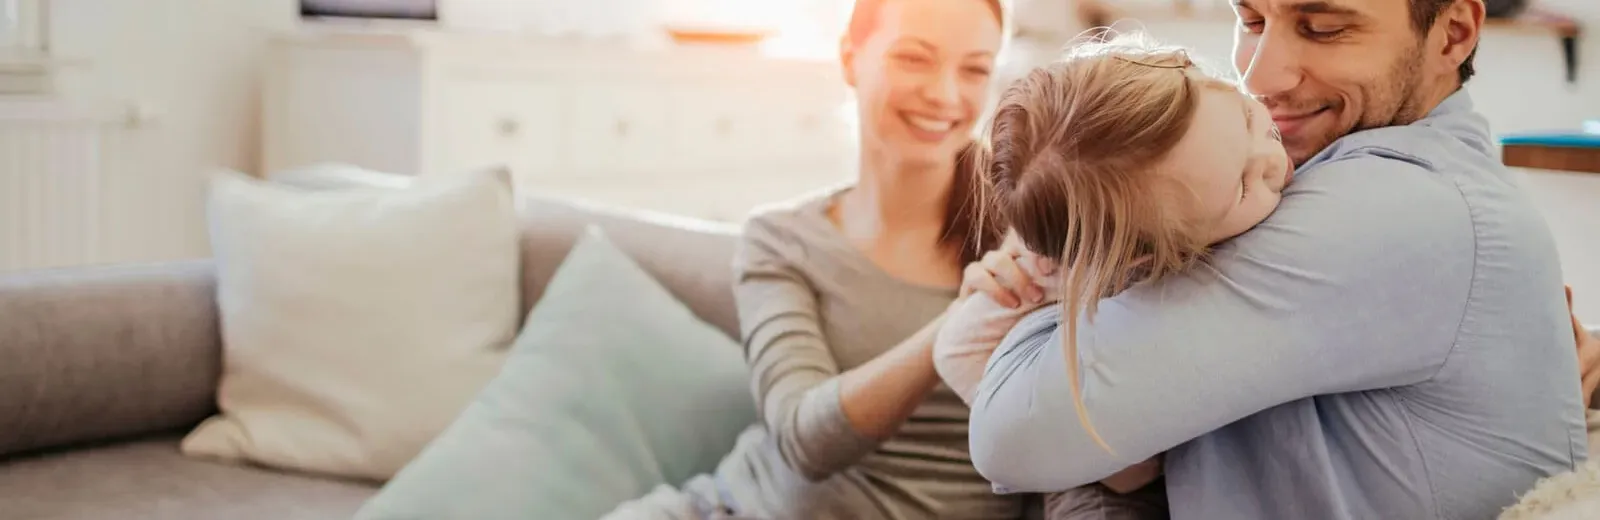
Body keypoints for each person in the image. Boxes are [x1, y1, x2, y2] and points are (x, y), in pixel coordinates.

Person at [953, 1, 1592, 518]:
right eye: (1251, 19)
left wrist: (1046, 295)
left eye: (1324, 27)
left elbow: (1013, 432)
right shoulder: (1308, 179)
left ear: (1453, 34)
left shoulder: (1395, 203)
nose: (1259, 78)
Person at [598, 0, 1071, 517]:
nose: (945, 94)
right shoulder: (781, 239)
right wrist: (957, 327)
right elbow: (805, 442)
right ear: (850, 58)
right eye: (914, 58)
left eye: (975, 69)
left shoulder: (1029, 237)